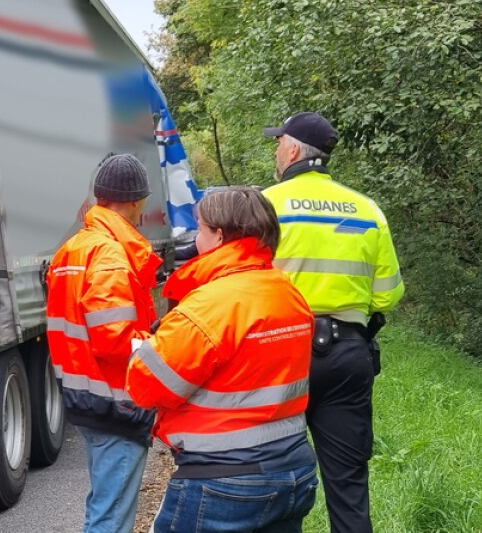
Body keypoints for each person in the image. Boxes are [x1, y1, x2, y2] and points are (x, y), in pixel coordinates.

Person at [127, 187, 318, 533]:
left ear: (218, 235)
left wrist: (147, 347)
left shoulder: (210, 304)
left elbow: (148, 386)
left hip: (224, 479)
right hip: (293, 469)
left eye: (199, 229)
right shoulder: (287, 292)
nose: (196, 240)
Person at [262, 112, 405, 533]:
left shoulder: (266, 205)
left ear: (292, 149)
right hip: (347, 354)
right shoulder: (367, 209)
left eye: (278, 143)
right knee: (348, 485)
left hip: (278, 353)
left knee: (272, 480)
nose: (276, 151)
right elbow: (388, 293)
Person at [46, 153, 162, 533]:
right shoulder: (110, 253)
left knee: (103, 505)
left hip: (86, 395)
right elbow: (114, 340)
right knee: (110, 517)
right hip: (117, 401)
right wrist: (159, 344)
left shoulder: (73, 248)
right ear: (137, 201)